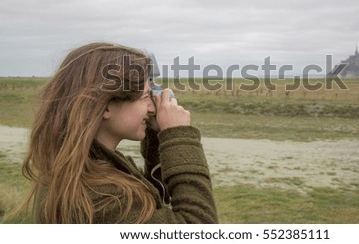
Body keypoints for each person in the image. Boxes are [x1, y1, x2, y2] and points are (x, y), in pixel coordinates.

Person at [21, 42, 218, 223]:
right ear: (105, 107)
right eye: (144, 97)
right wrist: (178, 135)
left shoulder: (85, 169)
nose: (153, 107)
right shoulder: (103, 198)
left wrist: (157, 136)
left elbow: (151, 207)